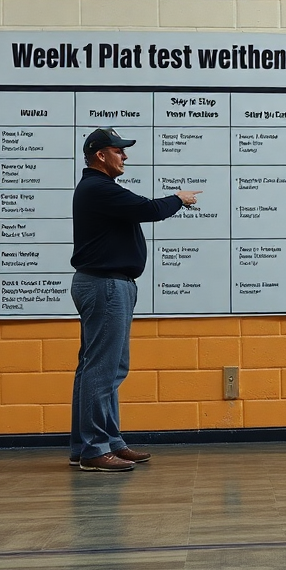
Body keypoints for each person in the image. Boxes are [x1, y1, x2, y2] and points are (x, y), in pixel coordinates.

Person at [70, 127, 202, 472]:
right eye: (119, 151)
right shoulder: (98, 189)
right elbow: (151, 209)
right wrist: (179, 198)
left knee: (98, 368)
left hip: (105, 284)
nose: (125, 156)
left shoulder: (100, 189)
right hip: (105, 286)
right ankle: (94, 449)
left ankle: (100, 443)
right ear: (100, 155)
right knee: (103, 370)